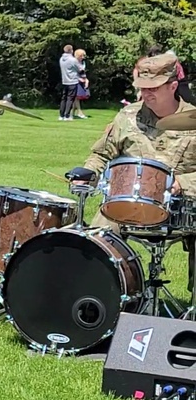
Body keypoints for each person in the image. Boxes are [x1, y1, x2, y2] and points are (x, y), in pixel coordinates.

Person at [70, 53, 196, 284]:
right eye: (142, 88)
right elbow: (101, 154)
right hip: (129, 202)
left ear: (173, 86)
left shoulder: (193, 119)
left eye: (153, 88)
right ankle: (101, 296)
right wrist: (88, 175)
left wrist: (183, 183)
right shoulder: (127, 116)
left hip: (183, 207)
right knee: (99, 238)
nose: (146, 94)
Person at [58, 44, 83, 121]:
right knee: (70, 99)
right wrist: (83, 77)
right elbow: (80, 69)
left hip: (64, 81)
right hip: (72, 81)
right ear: (71, 51)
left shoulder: (61, 59)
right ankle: (67, 115)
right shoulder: (73, 60)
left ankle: (61, 115)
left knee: (64, 98)